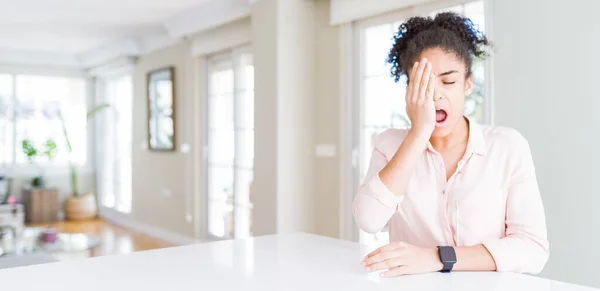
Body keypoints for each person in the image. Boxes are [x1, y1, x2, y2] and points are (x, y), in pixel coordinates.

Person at [354, 12, 549, 278]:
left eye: (448, 81)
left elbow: (532, 249)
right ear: (409, 89)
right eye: (423, 84)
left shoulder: (508, 147)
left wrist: (436, 258)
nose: (436, 94)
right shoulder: (389, 145)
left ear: (467, 85)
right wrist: (419, 133)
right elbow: (368, 219)